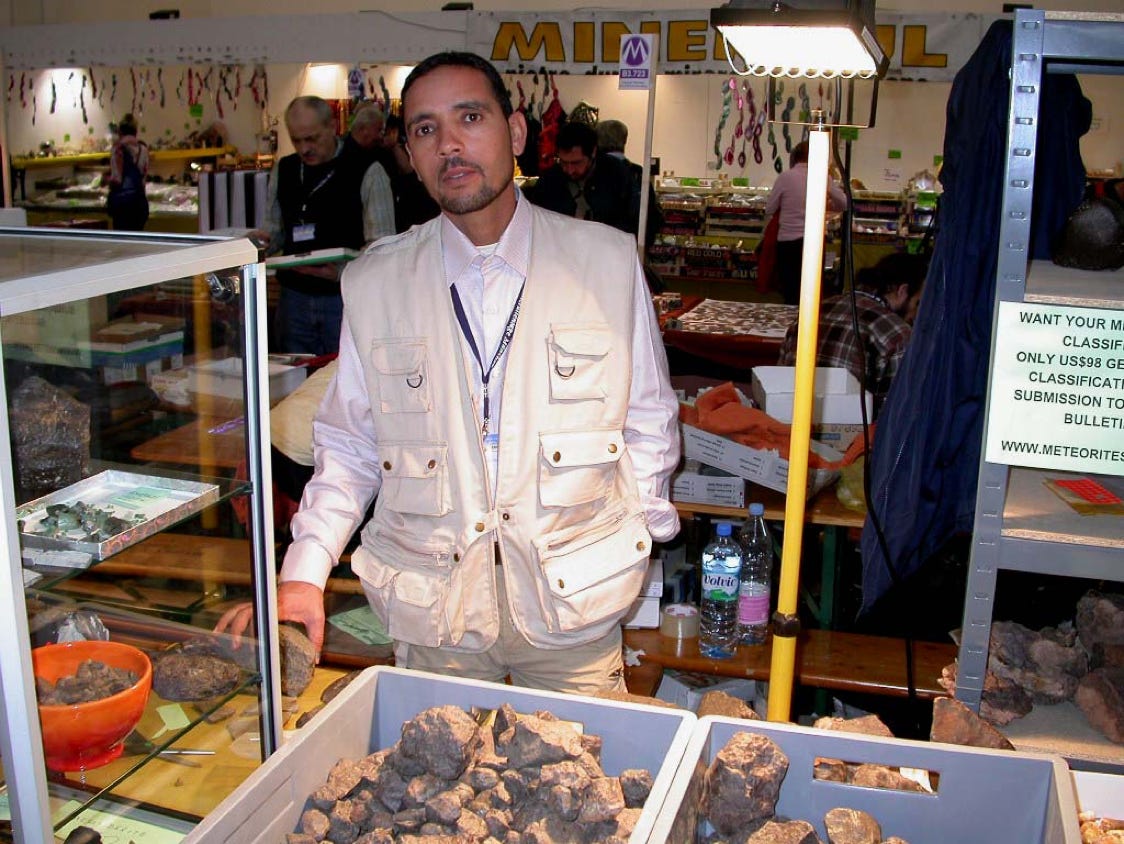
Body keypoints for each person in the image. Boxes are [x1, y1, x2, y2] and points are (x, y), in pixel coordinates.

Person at [218, 51, 681, 695]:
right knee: (436, 760)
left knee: (585, 758)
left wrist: (639, 531)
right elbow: (349, 445)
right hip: (436, 613)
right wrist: (302, 572)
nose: (450, 144)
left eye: (470, 117)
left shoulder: (604, 261)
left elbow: (649, 417)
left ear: (514, 133)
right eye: (426, 128)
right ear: (408, 152)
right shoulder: (377, 281)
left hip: (574, 610)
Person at [257, 95, 396, 355]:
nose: (304, 149)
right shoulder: (285, 169)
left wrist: (342, 272)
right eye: (297, 140)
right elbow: (274, 229)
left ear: (332, 127)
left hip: (344, 297)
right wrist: (257, 244)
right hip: (293, 298)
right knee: (296, 374)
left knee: (345, 372)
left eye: (312, 138)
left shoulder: (367, 169)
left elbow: (382, 245)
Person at [778, 251, 928, 416]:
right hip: (853, 428)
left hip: (789, 419)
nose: (916, 314)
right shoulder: (897, 332)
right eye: (917, 303)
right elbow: (897, 411)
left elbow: (780, 374)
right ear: (902, 291)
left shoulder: (815, 310)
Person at [765, 140, 848, 305]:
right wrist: (828, 205)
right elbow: (844, 203)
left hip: (788, 242)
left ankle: (791, 318)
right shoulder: (822, 177)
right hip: (814, 243)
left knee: (790, 290)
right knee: (811, 292)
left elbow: (769, 208)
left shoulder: (785, 177)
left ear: (794, 157)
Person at [525, 120, 637, 235]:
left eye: (576, 163)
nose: (569, 170)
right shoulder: (550, 181)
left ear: (593, 152)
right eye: (563, 162)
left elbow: (633, 221)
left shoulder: (617, 176)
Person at [595, 118, 664, 247]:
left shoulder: (593, 171)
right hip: (631, 244)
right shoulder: (638, 173)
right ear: (625, 140)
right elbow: (652, 214)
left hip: (598, 242)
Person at [106, 114, 149, 231]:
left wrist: (105, 180)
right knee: (137, 237)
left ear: (120, 132)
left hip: (123, 205)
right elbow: (143, 178)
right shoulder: (143, 149)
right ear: (136, 132)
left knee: (122, 239)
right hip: (139, 204)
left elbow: (116, 179)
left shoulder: (117, 149)